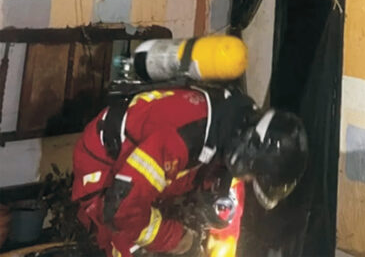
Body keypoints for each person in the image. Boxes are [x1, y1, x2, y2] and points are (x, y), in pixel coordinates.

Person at [71, 86, 308, 256]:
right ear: (248, 153)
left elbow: (226, 219)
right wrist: (176, 239)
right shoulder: (185, 134)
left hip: (162, 173)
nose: (247, 179)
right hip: (105, 168)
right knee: (128, 243)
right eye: (253, 175)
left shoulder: (235, 131)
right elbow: (121, 209)